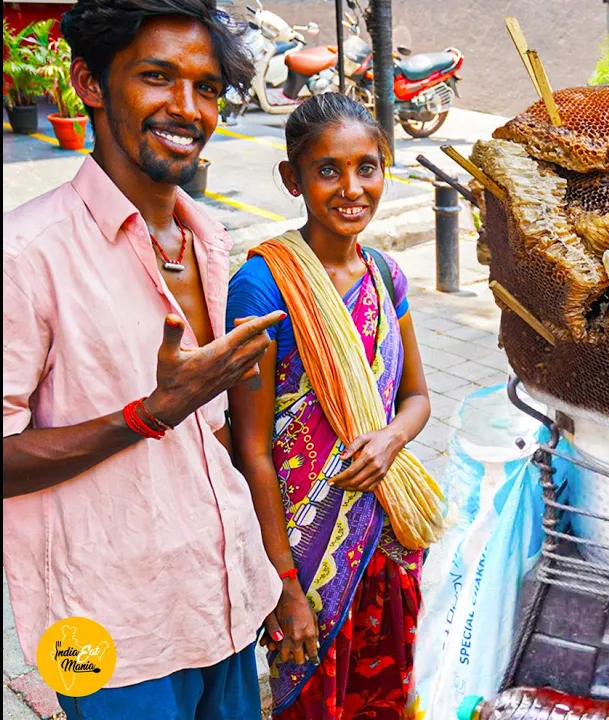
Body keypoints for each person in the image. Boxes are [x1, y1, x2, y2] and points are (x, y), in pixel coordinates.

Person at [1, 0, 285, 717]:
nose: (187, 108)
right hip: (103, 632)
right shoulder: (25, 256)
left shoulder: (210, 240)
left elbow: (216, 439)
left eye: (208, 87)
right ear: (90, 84)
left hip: (222, 603)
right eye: (157, 77)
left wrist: (272, 574)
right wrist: (149, 414)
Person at [226, 93, 433, 719]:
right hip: (304, 556)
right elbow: (251, 448)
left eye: (367, 167)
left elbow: (417, 399)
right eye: (327, 170)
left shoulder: (385, 277)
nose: (351, 188)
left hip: (391, 536)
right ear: (293, 178)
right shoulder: (263, 285)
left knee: (391, 695)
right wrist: (284, 587)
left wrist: (390, 440)